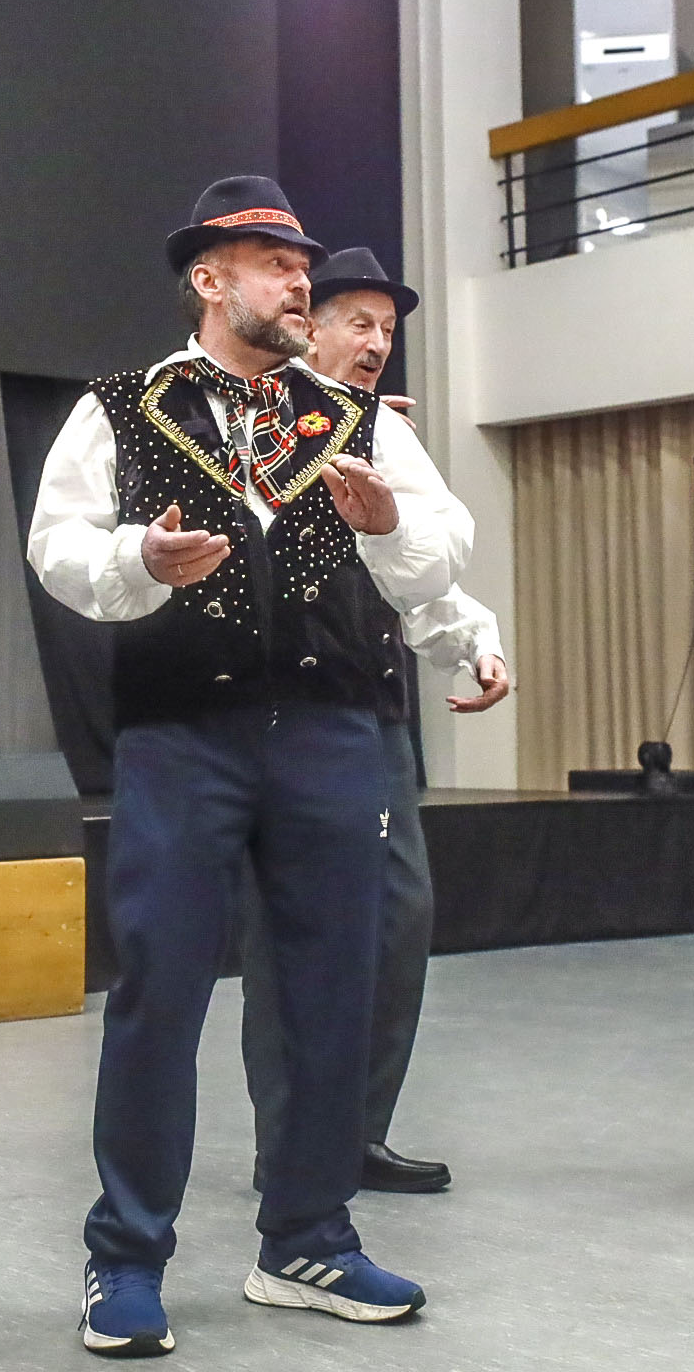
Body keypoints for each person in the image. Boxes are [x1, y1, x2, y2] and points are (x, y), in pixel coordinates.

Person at [28, 179, 470, 1356]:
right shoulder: (122, 407)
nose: (300, 280)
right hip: (183, 732)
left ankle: (308, 1237)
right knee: (160, 990)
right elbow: (58, 546)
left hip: (331, 733)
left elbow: (441, 557)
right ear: (209, 278)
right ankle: (126, 1255)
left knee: (332, 986)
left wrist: (387, 528)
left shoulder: (361, 420)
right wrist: (139, 557)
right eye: (276, 262)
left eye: (301, 263)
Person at [239, 246, 509, 1198]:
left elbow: (418, 564)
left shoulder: (384, 431)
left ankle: (356, 1131)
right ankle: (290, 1145)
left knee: (399, 916)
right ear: (305, 326)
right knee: (289, 929)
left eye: (388, 330)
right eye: (360, 322)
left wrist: (473, 641)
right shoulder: (256, 416)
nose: (378, 343)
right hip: (277, 712)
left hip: (372, 705)